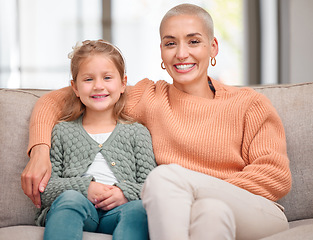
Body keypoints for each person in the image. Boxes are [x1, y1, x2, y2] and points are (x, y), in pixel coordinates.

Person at [21, 4, 292, 240]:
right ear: (161, 52)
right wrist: (40, 151)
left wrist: (192, 187)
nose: (182, 53)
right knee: (209, 212)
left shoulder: (249, 104)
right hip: (191, 210)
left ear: (213, 47)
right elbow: (54, 101)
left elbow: (275, 177)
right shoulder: (148, 97)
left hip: (254, 211)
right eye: (171, 43)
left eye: (194, 41)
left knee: (164, 180)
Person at [34, 39, 156, 240]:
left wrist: (123, 192)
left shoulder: (137, 133)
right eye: (88, 79)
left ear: (123, 83)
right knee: (70, 199)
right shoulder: (62, 131)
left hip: (119, 212)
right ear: (75, 87)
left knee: (137, 210)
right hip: (77, 208)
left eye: (107, 77)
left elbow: (151, 186)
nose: (98, 86)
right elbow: (46, 190)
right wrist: (85, 188)